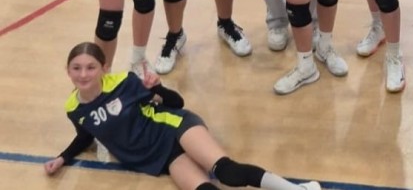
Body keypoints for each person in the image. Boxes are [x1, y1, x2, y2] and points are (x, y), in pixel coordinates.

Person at [45, 42, 320, 190]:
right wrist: (63, 158)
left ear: (104, 68)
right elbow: (86, 135)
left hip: (174, 128)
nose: (83, 74)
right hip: (159, 157)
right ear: (67, 71)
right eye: (76, 68)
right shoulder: (74, 108)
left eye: (90, 67)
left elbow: (176, 103)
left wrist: (157, 88)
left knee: (227, 172)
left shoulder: (124, 83)